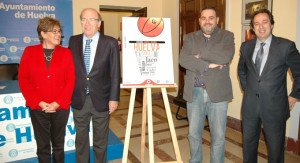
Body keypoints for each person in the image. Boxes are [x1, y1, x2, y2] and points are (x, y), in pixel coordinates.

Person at [238, 9, 300, 163]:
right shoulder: (246, 46)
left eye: (265, 22)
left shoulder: (286, 46)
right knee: (249, 146)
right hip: (250, 106)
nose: (261, 26)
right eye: (256, 24)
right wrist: (249, 89)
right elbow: (242, 70)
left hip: (275, 107)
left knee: (275, 150)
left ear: (272, 24)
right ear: (252, 28)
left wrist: (294, 95)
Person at [179, 6, 235, 163]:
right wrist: (209, 64)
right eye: (204, 18)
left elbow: (225, 56)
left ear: (217, 20)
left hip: (218, 92)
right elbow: (183, 59)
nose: (207, 21)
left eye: (211, 18)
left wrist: (198, 56)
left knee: (218, 135)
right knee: (194, 134)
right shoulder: (190, 37)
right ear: (199, 21)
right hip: (195, 91)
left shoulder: (227, 36)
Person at [18, 17, 75, 163]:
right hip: (38, 108)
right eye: (54, 31)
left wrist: (58, 102)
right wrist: (39, 102)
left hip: (60, 108)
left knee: (58, 145)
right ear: (43, 34)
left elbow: (70, 80)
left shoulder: (66, 53)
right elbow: (24, 80)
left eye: (59, 31)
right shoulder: (29, 52)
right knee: (42, 146)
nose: (59, 34)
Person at [68, 8, 120, 163]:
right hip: (79, 98)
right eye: (84, 19)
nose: (87, 23)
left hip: (102, 99)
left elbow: (116, 72)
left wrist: (114, 98)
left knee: (100, 141)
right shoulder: (73, 41)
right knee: (81, 141)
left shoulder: (110, 42)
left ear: (99, 23)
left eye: (91, 20)